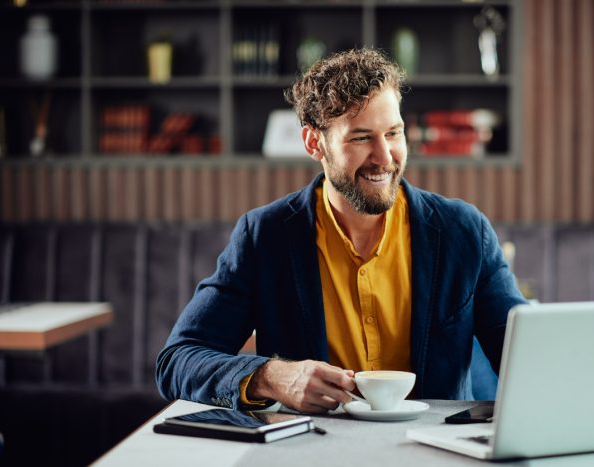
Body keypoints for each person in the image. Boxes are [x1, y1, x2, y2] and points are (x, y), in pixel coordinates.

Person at [156, 48, 525, 413]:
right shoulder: (264, 237)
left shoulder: (463, 230)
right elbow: (177, 362)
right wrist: (270, 376)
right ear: (314, 142)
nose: (384, 157)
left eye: (393, 133)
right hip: (311, 449)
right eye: (362, 138)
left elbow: (524, 356)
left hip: (434, 451)